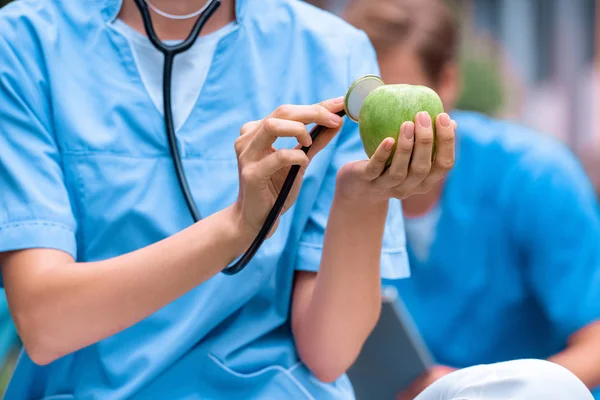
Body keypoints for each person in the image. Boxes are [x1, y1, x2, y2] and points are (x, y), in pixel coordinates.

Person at [0, 0, 460, 398]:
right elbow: (46, 325)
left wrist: (362, 198)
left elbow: (329, 354)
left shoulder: (332, 50)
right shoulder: (25, 41)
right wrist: (237, 227)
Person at [343, 0, 600, 399]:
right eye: (366, 108)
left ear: (446, 82)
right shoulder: (340, 191)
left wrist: (479, 391)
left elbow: (596, 341)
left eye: (397, 106)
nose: (384, 134)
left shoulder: (535, 175)